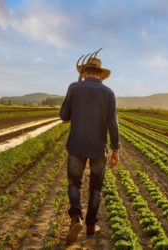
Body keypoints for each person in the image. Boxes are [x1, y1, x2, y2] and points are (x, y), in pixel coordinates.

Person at [59, 49, 119, 244]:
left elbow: (64, 116)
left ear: (84, 72)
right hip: (98, 149)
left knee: (74, 183)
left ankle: (76, 218)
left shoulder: (74, 87)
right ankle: (91, 226)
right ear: (100, 74)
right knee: (96, 188)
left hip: (76, 145)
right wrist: (115, 149)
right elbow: (113, 124)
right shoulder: (109, 93)